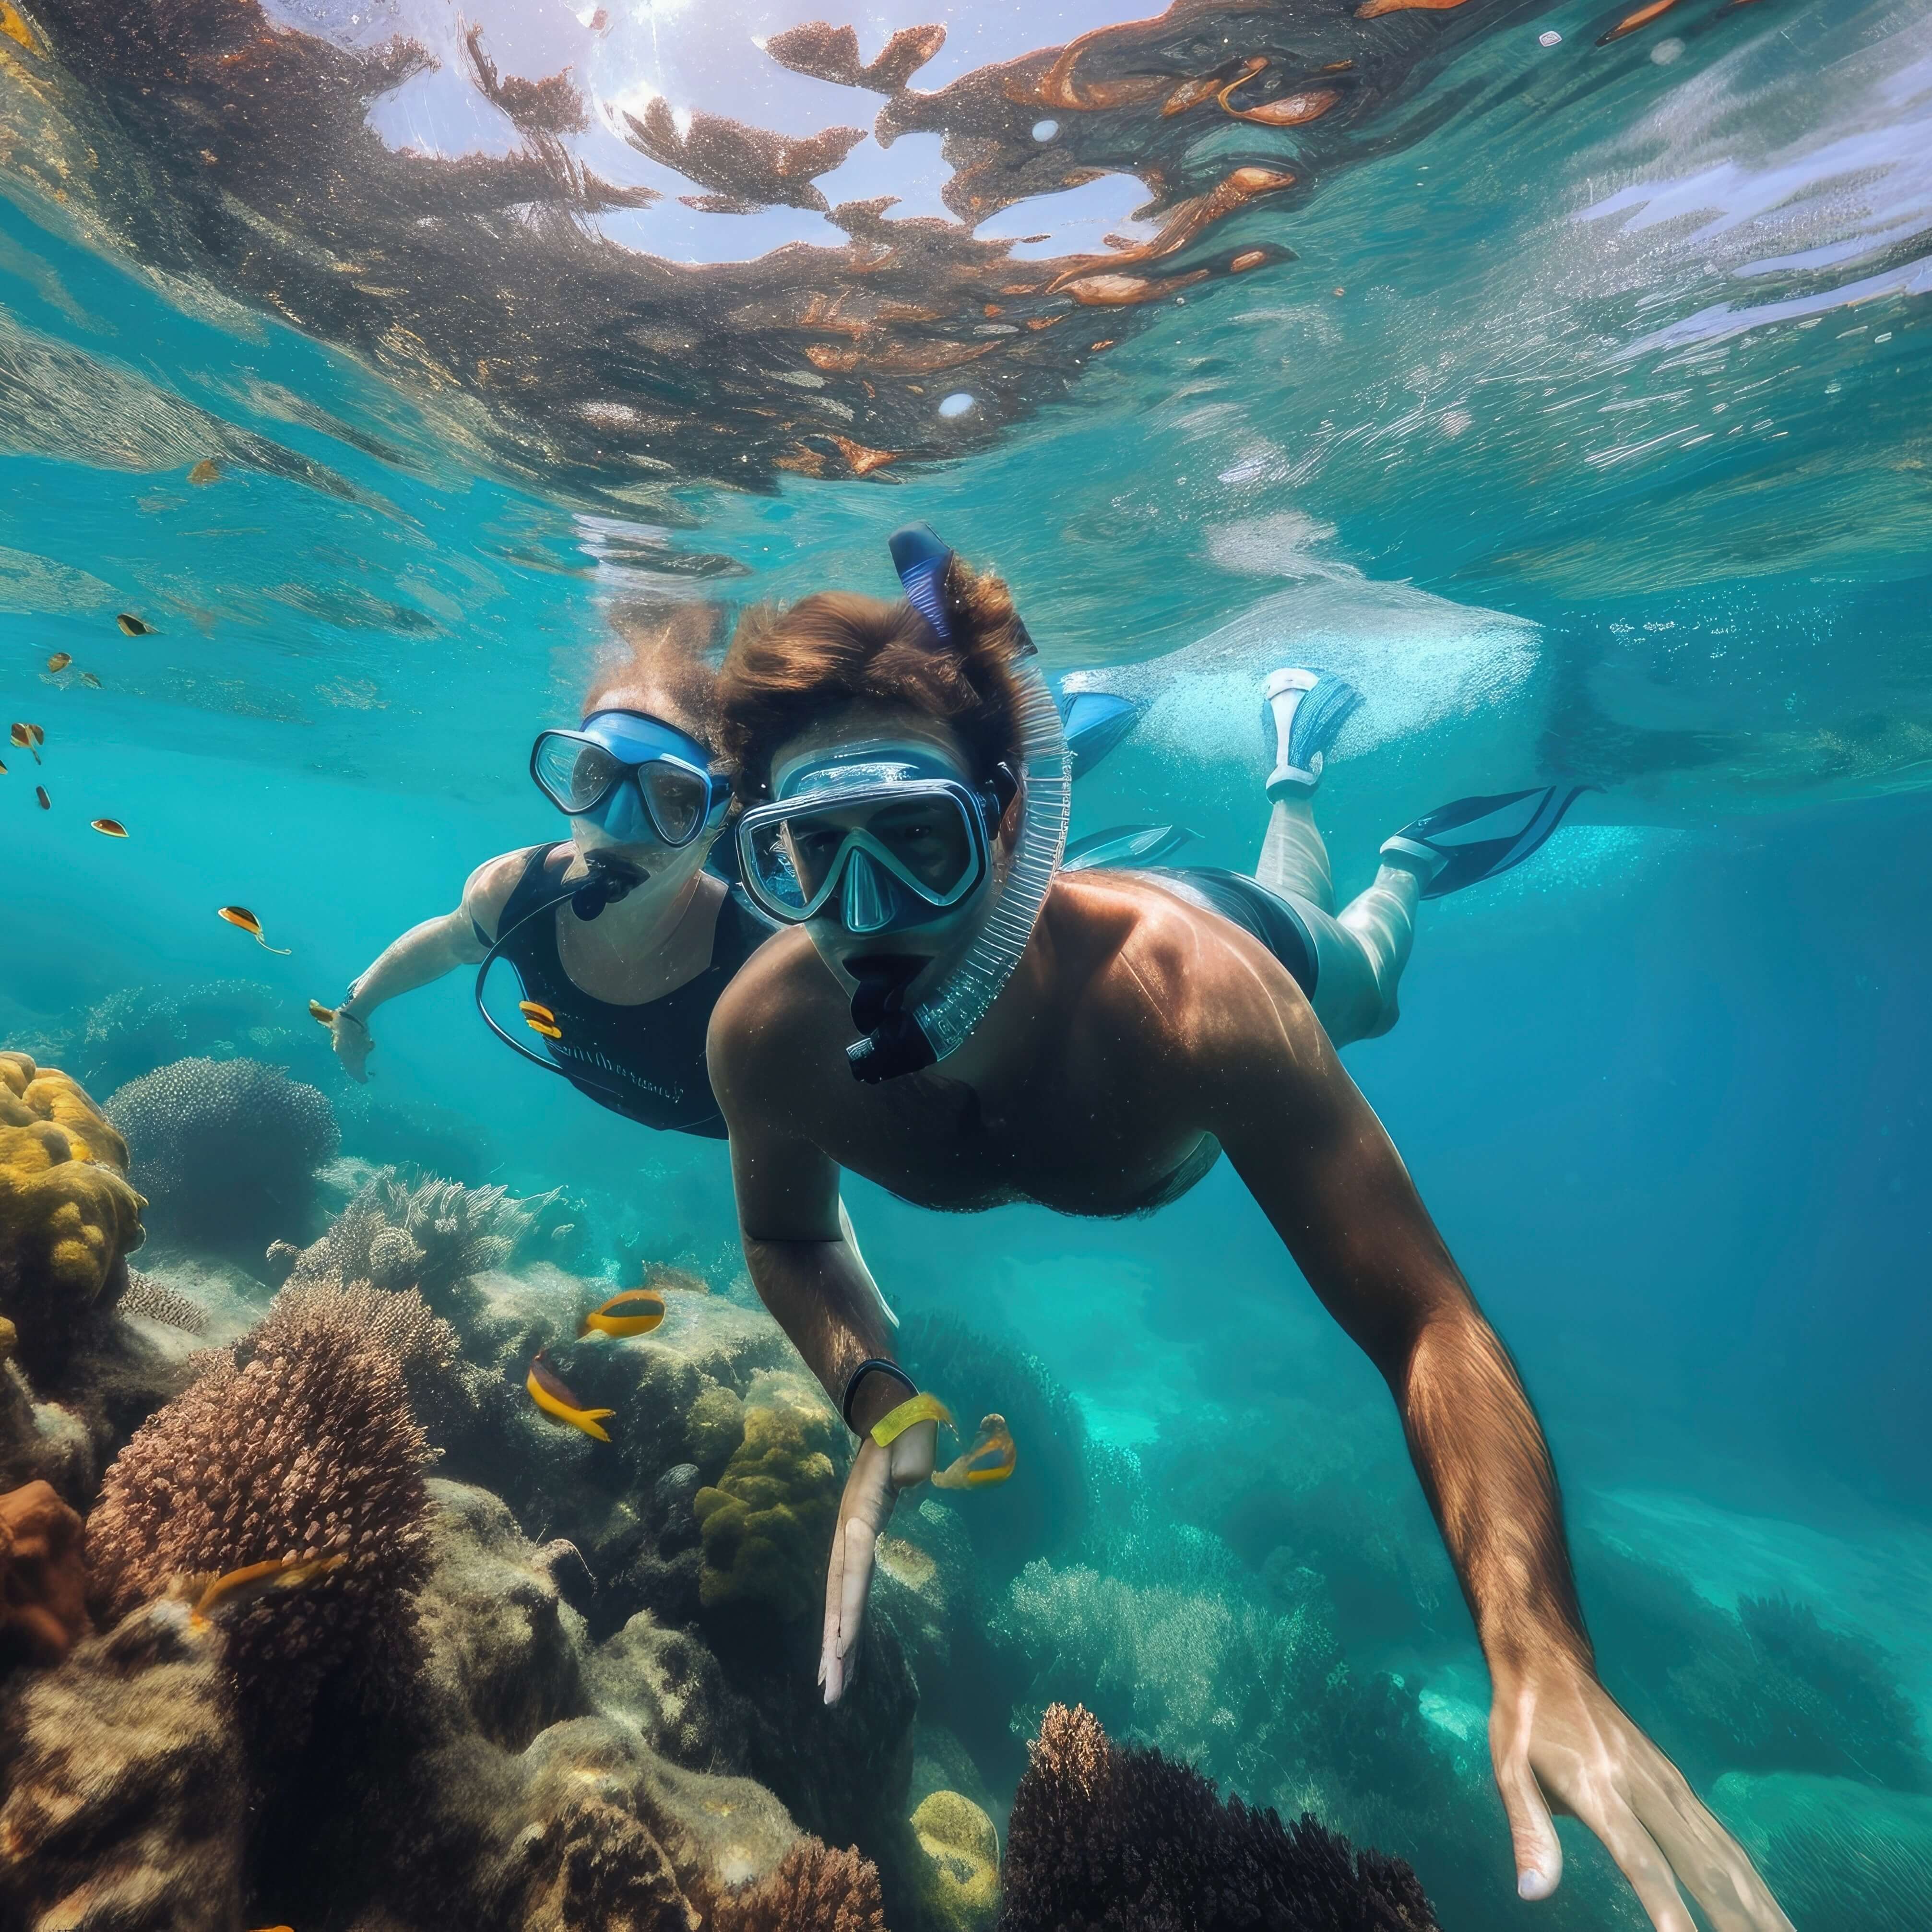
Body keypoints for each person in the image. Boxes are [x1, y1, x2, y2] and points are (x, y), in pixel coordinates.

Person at [704, 528, 1793, 1932]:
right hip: (1086, 919)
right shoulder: (767, 1035)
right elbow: (791, 1239)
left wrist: (1536, 1638)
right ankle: (1270, 778)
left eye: (918, 841)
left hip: (1234, 929)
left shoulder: (1195, 1004)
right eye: (809, 853)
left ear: (1010, 822)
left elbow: (1425, 1317)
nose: (867, 920)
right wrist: (876, 1391)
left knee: (1367, 973)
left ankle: (1368, 830)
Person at [324, 599, 1140, 1140]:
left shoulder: (770, 956)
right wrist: (357, 1009)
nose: (616, 826)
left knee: (935, 844)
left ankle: (1056, 757)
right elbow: (448, 941)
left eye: (671, 799)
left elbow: (814, 1147)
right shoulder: (511, 891)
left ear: (716, 814)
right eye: (591, 778)